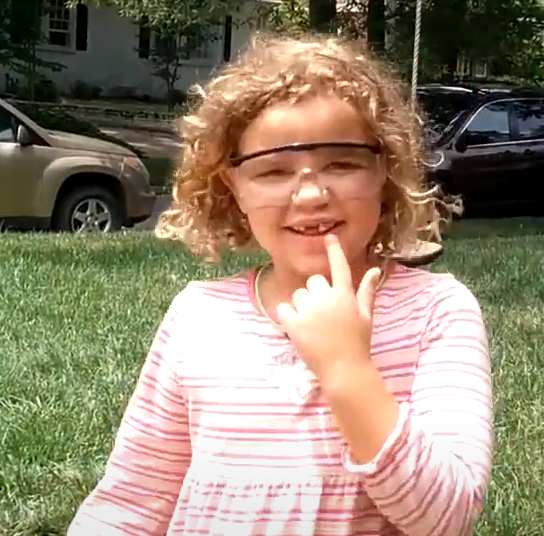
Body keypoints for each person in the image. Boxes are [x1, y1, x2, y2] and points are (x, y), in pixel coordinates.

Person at [67, 34, 493, 536]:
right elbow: (134, 500)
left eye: (342, 163)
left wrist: (348, 370)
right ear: (233, 187)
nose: (311, 193)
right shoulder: (199, 317)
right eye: (272, 171)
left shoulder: (437, 312)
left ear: (386, 169)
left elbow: (447, 516)